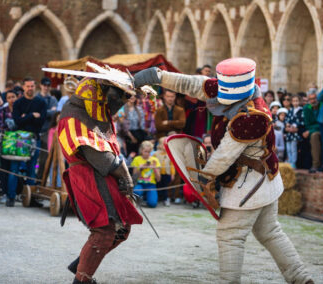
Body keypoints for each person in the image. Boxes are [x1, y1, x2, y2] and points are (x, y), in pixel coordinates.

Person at [134, 57, 313, 284]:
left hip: (249, 183)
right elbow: (193, 84)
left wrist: (203, 178)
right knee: (270, 232)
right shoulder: (233, 87)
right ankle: (302, 279)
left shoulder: (253, 116)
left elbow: (224, 155)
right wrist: (158, 76)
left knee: (230, 236)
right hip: (263, 179)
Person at [58, 77, 142, 283]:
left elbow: (109, 110)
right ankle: (82, 279)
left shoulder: (88, 111)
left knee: (122, 229)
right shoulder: (73, 118)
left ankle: (82, 263)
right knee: (104, 231)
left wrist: (127, 90)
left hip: (102, 178)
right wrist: (126, 176)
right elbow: (102, 159)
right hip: (89, 180)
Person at [8, 77, 47, 207]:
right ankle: (11, 197)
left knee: (31, 170)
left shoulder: (41, 102)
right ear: (23, 87)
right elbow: (17, 121)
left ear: (35, 87)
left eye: (32, 86)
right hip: (19, 139)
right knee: (14, 169)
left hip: (34, 138)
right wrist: (31, 116)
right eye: (28, 86)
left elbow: (41, 122)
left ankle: (31, 198)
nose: (30, 88)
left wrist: (26, 117)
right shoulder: (18, 103)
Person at [0, 89, 18, 203]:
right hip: (5, 142)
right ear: (6, 99)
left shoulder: (19, 109)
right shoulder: (3, 110)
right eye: (9, 97)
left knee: (14, 169)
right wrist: (9, 126)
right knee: (4, 169)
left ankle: (12, 194)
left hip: (18, 145)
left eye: (13, 97)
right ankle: (3, 192)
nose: (11, 99)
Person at [131, 140, 161, 208]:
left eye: (149, 152)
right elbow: (134, 177)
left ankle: (145, 199)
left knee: (153, 204)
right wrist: (141, 169)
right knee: (135, 193)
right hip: (140, 184)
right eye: (145, 151)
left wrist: (154, 168)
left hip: (151, 185)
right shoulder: (137, 159)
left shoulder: (155, 160)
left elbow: (158, 179)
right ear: (141, 150)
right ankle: (142, 198)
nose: (147, 154)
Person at [303, 89, 321, 173]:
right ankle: (312, 164)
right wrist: (310, 130)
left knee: (314, 135)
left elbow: (321, 123)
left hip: (322, 129)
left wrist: (310, 131)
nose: (313, 101)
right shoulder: (306, 108)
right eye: (311, 99)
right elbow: (307, 124)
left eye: (314, 98)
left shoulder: (321, 105)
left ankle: (316, 164)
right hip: (312, 130)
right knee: (312, 136)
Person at [154, 136, 175, 206]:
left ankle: (165, 199)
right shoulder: (156, 154)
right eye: (163, 144)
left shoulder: (170, 154)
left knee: (165, 187)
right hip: (158, 174)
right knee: (158, 186)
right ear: (159, 145)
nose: (165, 146)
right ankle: (157, 198)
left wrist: (172, 174)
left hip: (167, 174)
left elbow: (172, 165)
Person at [285, 94, 304, 169]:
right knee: (288, 148)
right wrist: (287, 125)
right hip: (289, 133)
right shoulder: (290, 111)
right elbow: (287, 119)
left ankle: (293, 162)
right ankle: (289, 161)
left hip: (295, 134)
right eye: (293, 101)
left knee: (293, 149)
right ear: (291, 102)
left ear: (299, 102)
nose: (295, 102)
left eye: (297, 101)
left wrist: (295, 126)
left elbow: (302, 121)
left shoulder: (301, 111)